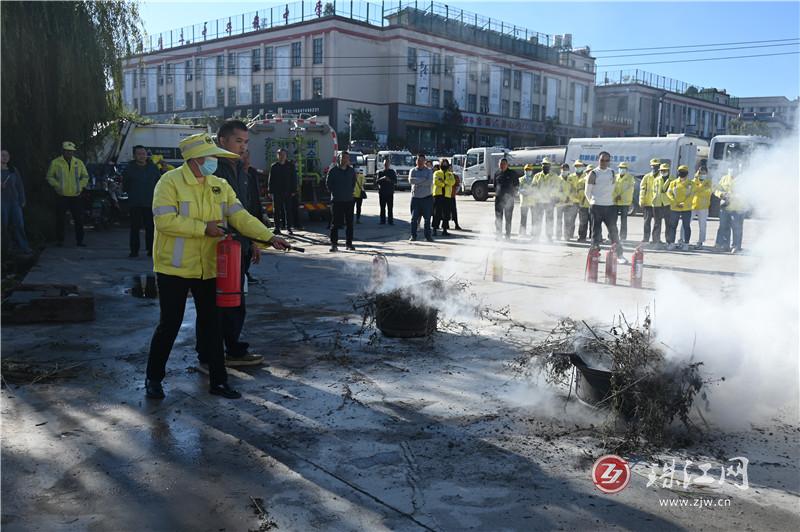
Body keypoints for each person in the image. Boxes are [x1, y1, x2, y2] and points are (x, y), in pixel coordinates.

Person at [145, 132, 290, 400]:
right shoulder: (169, 182)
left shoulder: (219, 184)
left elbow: (240, 217)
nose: (214, 161)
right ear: (195, 158)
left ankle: (219, 382)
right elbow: (164, 221)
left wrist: (268, 237)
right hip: (173, 268)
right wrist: (203, 228)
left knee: (213, 324)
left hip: (209, 266)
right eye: (210, 157)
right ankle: (154, 378)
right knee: (170, 323)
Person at [208, 120, 269, 367]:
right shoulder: (214, 169)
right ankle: (222, 351)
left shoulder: (240, 170)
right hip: (221, 247)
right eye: (238, 141)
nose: (243, 147)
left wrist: (254, 240)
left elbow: (246, 211)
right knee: (224, 303)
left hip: (239, 247)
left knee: (236, 299)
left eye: (245, 142)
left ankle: (228, 348)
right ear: (222, 141)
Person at [47, 141, 89, 247]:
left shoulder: (78, 162)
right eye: (67, 151)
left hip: (76, 195)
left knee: (78, 219)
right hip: (62, 195)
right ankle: (60, 240)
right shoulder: (56, 162)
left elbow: (85, 176)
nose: (69, 153)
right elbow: (49, 176)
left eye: (71, 151)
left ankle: (80, 241)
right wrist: (57, 186)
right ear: (63, 151)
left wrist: (81, 186)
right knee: (60, 219)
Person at [585, 151, 625, 261]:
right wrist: (592, 202)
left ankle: (619, 255)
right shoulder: (593, 173)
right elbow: (587, 192)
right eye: (602, 160)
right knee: (596, 232)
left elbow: (612, 188)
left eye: (607, 160)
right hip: (596, 206)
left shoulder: (612, 172)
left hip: (610, 206)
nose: (604, 162)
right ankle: (595, 254)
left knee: (613, 231)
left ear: (609, 161)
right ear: (598, 160)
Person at [122, 145, 161, 258]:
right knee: (135, 228)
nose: (142, 156)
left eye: (143, 153)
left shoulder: (153, 168)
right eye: (139, 154)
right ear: (134, 156)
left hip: (150, 203)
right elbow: (125, 186)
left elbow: (159, 183)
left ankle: (151, 250)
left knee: (151, 228)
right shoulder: (129, 169)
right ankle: (134, 251)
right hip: (135, 203)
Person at [1, 149, 32, 254]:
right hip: (2, 202)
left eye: (7, 155)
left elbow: (19, 185)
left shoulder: (13, 170)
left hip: (15, 202)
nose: (5, 157)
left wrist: (22, 199)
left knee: (19, 224)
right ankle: (5, 248)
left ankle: (24, 247)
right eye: (2, 155)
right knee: (3, 225)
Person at [326, 151, 356, 251]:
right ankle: (334, 245)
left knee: (350, 224)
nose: (345, 159)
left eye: (347, 158)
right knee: (335, 224)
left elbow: (353, 183)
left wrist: (349, 192)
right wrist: (335, 192)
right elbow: (328, 184)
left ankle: (349, 244)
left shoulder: (351, 171)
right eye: (343, 157)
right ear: (339, 158)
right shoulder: (333, 171)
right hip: (337, 201)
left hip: (349, 200)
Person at [714, 171, 745, 253]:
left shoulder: (743, 179)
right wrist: (721, 194)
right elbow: (716, 189)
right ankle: (724, 245)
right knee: (723, 226)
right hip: (725, 206)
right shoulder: (724, 178)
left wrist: (733, 196)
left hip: (737, 207)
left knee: (736, 228)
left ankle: (736, 246)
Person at [268, 148, 297, 235]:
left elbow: (294, 178)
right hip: (277, 192)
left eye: (283, 154)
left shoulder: (290, 166)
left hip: (287, 191)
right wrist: (270, 191)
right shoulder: (274, 166)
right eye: (280, 154)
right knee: (276, 211)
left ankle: (289, 228)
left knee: (288, 210)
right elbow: (271, 179)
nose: (282, 156)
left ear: (286, 155)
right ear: (277, 156)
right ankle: (277, 228)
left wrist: (293, 190)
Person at [665, 165, 694, 251]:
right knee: (673, 226)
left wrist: (683, 203)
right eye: (680, 171)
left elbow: (691, 195)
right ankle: (672, 243)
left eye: (684, 171)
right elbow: (669, 193)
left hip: (686, 208)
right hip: (675, 208)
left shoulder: (691, 183)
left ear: (687, 173)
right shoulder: (673, 183)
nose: (682, 173)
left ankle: (686, 243)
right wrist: (675, 202)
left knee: (686, 226)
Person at [409, 153, 434, 242]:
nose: (420, 162)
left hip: (426, 198)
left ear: (424, 161)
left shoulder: (429, 171)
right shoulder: (413, 170)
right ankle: (413, 235)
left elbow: (429, 182)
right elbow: (411, 180)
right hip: (415, 198)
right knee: (413, 219)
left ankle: (428, 236)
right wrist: (423, 179)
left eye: (422, 160)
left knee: (427, 219)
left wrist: (418, 182)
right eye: (418, 160)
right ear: (416, 161)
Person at [532, 158, 557, 242]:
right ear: (541, 165)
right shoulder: (537, 176)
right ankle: (536, 236)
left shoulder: (554, 176)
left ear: (550, 166)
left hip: (549, 202)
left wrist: (553, 199)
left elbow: (556, 188)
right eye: (544, 164)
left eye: (547, 165)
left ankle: (549, 237)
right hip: (539, 202)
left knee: (549, 220)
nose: (545, 166)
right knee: (538, 220)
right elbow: (533, 187)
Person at [494, 158, 519, 240]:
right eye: (500, 164)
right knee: (498, 218)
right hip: (498, 200)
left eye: (504, 164)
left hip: (509, 200)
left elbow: (517, 185)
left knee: (508, 219)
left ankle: (507, 236)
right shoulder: (497, 173)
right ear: (498, 164)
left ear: (507, 164)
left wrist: (512, 195)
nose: (502, 165)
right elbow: (495, 185)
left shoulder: (512, 173)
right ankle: (498, 235)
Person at [650, 163, 673, 248]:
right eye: (662, 170)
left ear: (668, 171)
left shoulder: (672, 179)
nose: (663, 172)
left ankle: (669, 241)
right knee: (657, 223)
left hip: (667, 203)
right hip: (657, 203)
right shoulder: (657, 179)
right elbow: (653, 191)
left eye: (665, 170)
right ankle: (656, 240)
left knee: (668, 223)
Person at [432, 158, 456, 236]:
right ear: (440, 164)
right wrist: (444, 184)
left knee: (446, 213)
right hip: (438, 195)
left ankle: (445, 229)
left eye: (446, 164)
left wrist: (444, 182)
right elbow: (436, 181)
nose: (444, 165)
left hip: (447, 195)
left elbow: (452, 182)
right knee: (437, 213)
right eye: (443, 163)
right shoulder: (437, 173)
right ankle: (435, 229)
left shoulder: (450, 174)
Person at [639, 158, 661, 244]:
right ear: (651, 166)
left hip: (658, 203)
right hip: (648, 203)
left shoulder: (661, 177)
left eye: (656, 166)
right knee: (647, 222)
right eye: (653, 166)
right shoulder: (647, 177)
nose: (655, 168)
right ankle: (646, 238)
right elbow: (642, 189)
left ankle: (656, 239)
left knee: (657, 222)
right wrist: (641, 200)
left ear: (659, 166)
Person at [613, 161, 635, 241]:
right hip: (615, 202)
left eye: (624, 168)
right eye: (621, 168)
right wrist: (616, 196)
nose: (622, 169)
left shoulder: (630, 178)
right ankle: (612, 236)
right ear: (618, 168)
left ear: (626, 169)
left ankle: (623, 237)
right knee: (613, 221)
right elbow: (612, 188)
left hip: (625, 202)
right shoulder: (615, 177)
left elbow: (629, 190)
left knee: (623, 221)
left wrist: (620, 196)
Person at [691, 167, 712, 249]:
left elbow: (707, 192)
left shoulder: (709, 182)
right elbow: (692, 190)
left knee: (702, 225)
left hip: (703, 206)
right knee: (686, 224)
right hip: (693, 205)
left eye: (704, 173)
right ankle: (682, 239)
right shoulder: (694, 181)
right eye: (700, 173)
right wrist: (696, 180)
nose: (702, 175)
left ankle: (701, 241)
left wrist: (698, 188)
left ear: (706, 173)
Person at [555, 162, 577, 240]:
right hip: (560, 203)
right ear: (560, 170)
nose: (564, 170)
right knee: (559, 220)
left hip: (569, 202)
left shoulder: (571, 178)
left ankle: (566, 236)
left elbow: (574, 190)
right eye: (563, 169)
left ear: (569, 170)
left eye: (566, 169)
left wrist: (569, 197)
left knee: (567, 220)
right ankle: (558, 235)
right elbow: (555, 190)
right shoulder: (557, 179)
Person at [572, 161, 591, 242]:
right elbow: (578, 192)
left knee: (594, 223)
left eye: (591, 171)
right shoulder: (581, 181)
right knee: (583, 222)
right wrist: (581, 199)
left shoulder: (597, 181)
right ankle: (582, 237)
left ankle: (593, 237)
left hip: (593, 204)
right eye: (588, 171)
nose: (589, 173)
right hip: (583, 205)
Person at [376, 158, 397, 224]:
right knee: (382, 208)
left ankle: (390, 221)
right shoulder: (380, 172)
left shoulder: (392, 172)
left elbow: (395, 181)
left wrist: (389, 180)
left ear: (389, 164)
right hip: (382, 192)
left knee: (390, 208)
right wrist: (382, 178)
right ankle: (382, 220)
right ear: (383, 164)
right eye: (385, 164)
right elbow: (377, 182)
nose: (386, 165)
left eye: (387, 164)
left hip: (390, 192)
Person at [518, 164, 536, 237]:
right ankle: (522, 233)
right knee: (523, 218)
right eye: (526, 170)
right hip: (524, 202)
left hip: (532, 201)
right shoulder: (520, 179)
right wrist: (524, 191)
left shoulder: (534, 179)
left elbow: (536, 188)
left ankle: (533, 232)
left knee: (534, 218)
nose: (528, 171)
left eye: (529, 170)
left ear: (531, 171)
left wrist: (532, 191)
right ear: (524, 171)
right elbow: (518, 189)